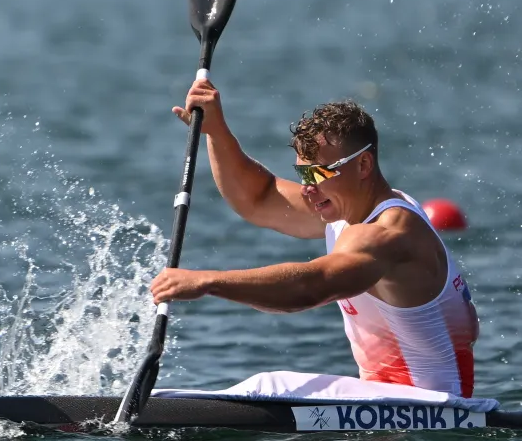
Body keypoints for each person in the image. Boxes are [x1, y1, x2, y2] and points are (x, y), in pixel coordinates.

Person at [149, 79, 479, 397]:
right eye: (302, 174)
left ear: (363, 164)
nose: (307, 187)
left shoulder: (388, 233)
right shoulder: (343, 208)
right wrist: (216, 131)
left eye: (317, 173)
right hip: (392, 403)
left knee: (271, 386)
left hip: (430, 405)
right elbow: (258, 198)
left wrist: (208, 281)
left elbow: (312, 286)